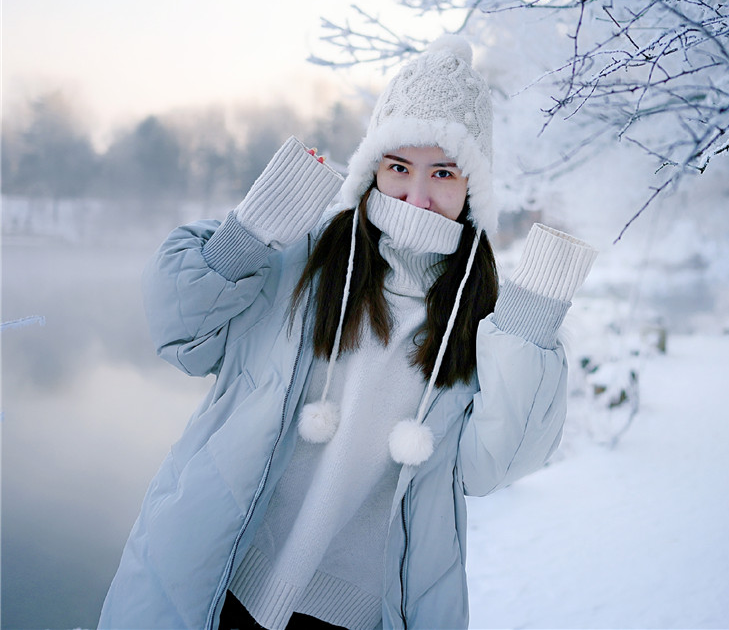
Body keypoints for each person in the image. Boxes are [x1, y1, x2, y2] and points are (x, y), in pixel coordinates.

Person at [99, 35, 597, 630]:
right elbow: (182, 335)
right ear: (371, 171)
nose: (419, 195)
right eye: (399, 167)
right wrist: (252, 229)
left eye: (443, 172)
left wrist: (530, 328)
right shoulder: (298, 261)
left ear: (472, 188)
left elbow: (489, 469)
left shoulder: (482, 316)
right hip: (218, 577)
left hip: (358, 615)